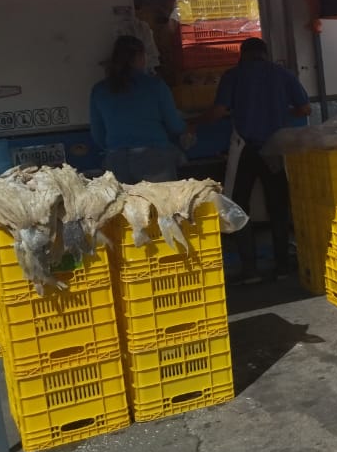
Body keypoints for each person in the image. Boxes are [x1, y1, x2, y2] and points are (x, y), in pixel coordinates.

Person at [204, 37, 311, 282]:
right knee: (278, 206)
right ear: (265, 53)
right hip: (275, 147)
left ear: (242, 54)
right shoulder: (281, 74)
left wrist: (192, 124)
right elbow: (305, 109)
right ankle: (283, 266)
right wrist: (284, 112)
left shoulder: (234, 75)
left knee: (239, 205)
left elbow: (219, 111)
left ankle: (249, 269)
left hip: (246, 149)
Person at [90, 35, 188, 184]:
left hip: (117, 163)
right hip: (154, 162)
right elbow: (175, 125)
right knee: (161, 206)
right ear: (139, 56)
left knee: (123, 207)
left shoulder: (99, 90)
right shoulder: (155, 86)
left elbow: (98, 135)